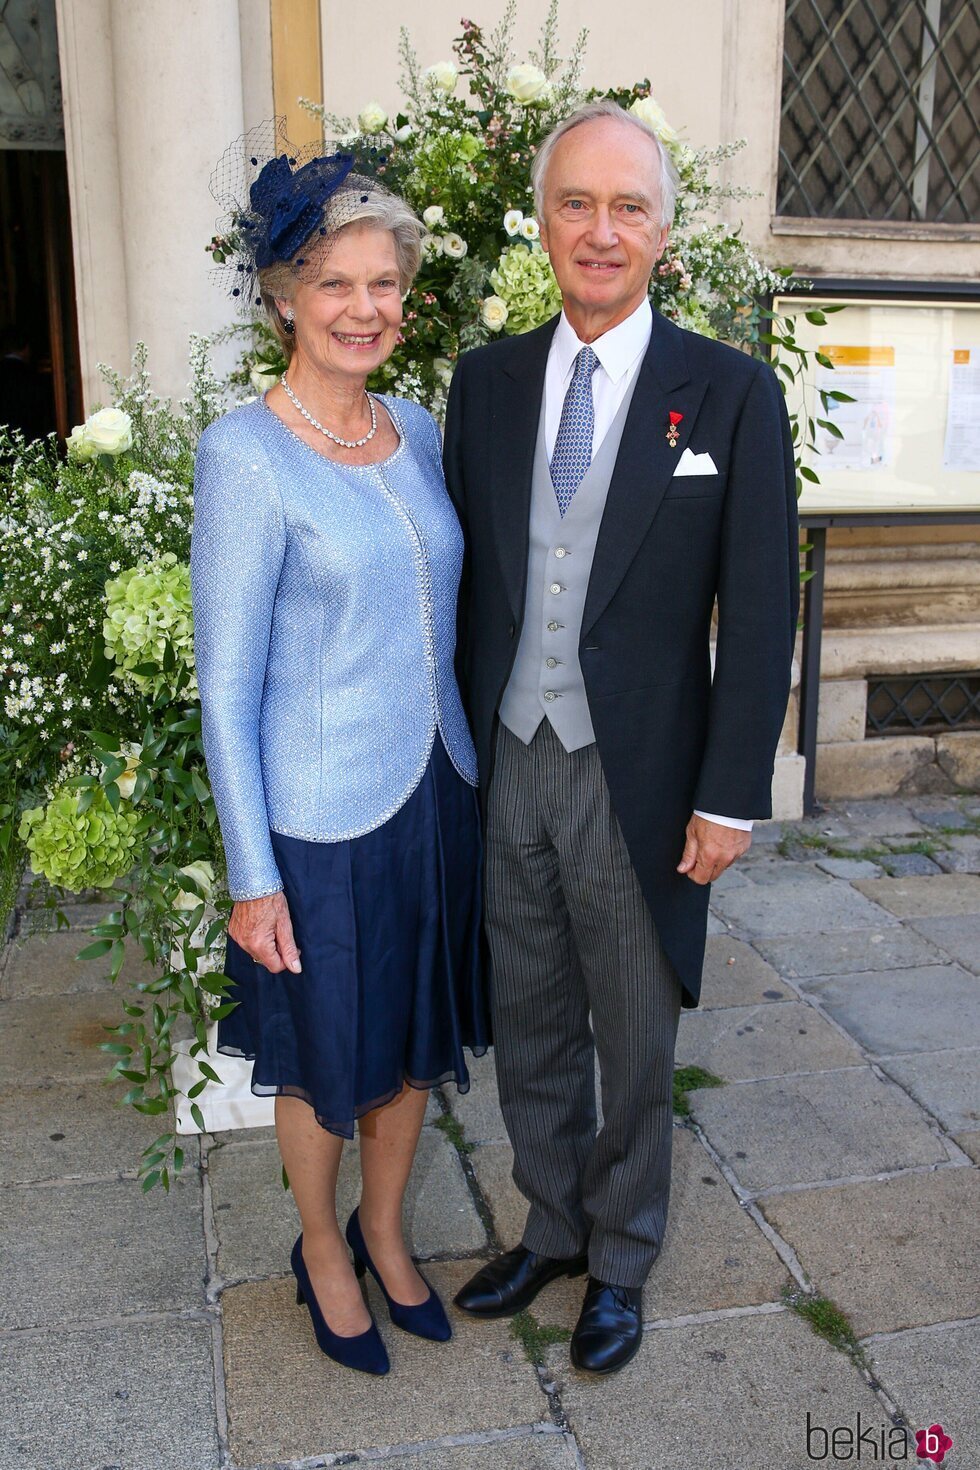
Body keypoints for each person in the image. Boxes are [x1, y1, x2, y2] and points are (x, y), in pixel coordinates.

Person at [444, 99, 799, 1376]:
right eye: (575, 204)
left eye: (626, 206)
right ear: (540, 223)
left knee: (634, 1030)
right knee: (529, 1008)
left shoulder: (729, 392)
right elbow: (469, 576)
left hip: (639, 770)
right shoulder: (482, 384)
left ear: (662, 229)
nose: (600, 231)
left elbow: (759, 616)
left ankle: (625, 1255)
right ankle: (549, 1224)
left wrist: (727, 796)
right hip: (506, 754)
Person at [191, 149, 488, 1377]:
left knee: (411, 1034)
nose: (364, 308)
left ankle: (384, 1224)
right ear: (281, 297)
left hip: (435, 788)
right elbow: (225, 682)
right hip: (316, 819)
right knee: (326, 1054)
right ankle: (321, 1245)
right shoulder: (245, 455)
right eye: (334, 285)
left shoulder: (414, 427)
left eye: (384, 284)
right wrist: (251, 875)